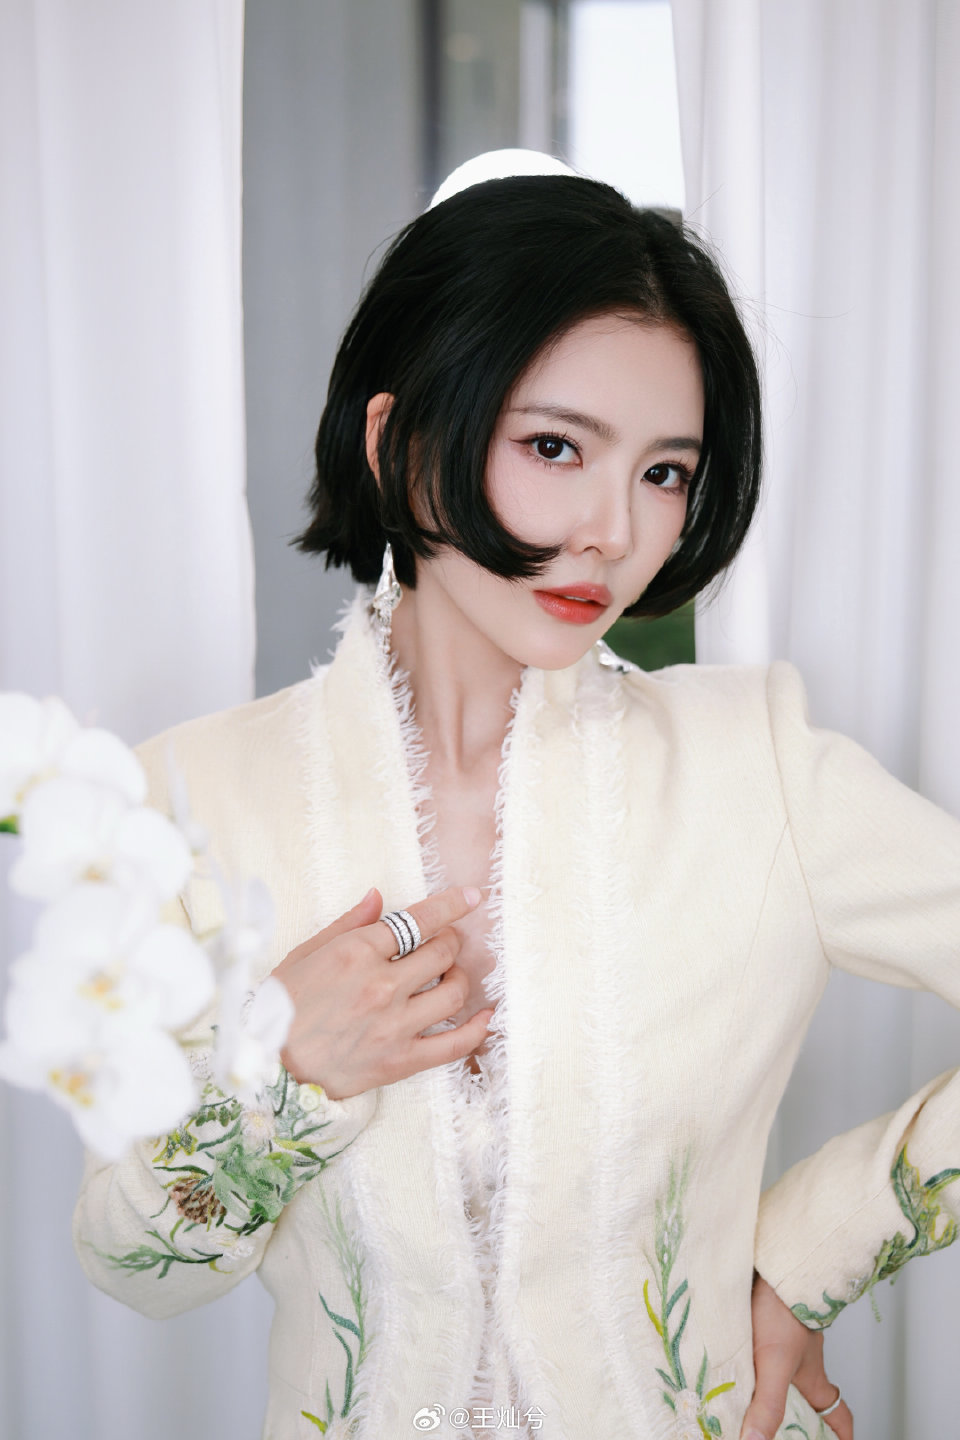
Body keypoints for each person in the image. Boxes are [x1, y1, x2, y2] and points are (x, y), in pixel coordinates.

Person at [73, 152, 960, 1440]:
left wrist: (823, 1243)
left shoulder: (759, 768)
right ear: (397, 440)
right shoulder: (194, 795)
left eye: (665, 471)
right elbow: (129, 1264)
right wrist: (287, 1071)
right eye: (555, 447)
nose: (616, 531)